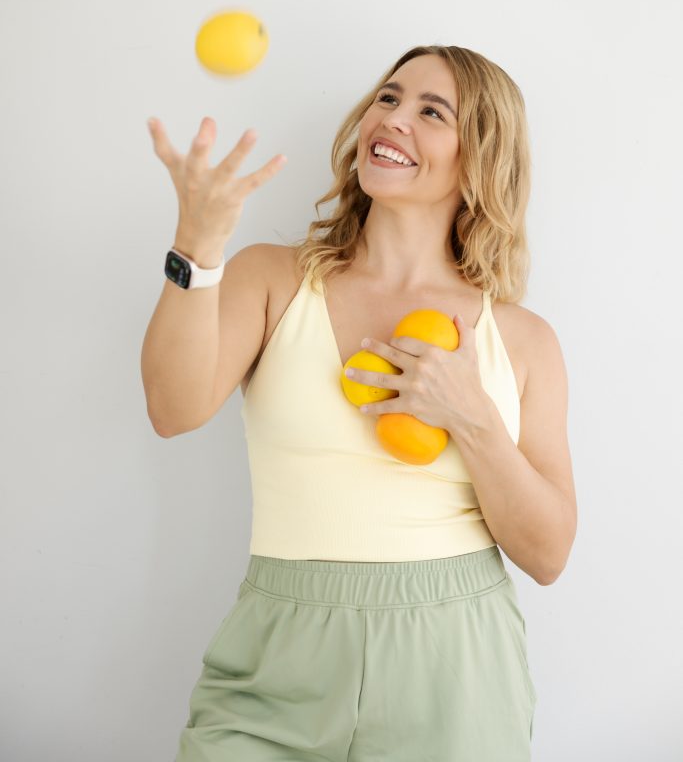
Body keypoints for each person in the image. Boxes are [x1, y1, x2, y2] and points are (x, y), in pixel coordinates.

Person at [142, 44, 577, 761]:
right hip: (280, 650)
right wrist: (197, 246)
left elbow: (549, 553)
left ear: (479, 159)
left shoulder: (522, 340)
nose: (394, 118)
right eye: (389, 97)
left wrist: (471, 416)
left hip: (453, 666)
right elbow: (171, 408)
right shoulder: (273, 279)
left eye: (431, 112)